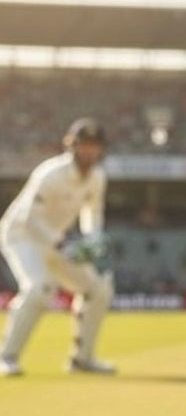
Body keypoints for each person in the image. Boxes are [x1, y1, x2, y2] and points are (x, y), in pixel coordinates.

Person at [0, 117, 115, 377]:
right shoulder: (50, 173)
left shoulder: (97, 176)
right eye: (84, 145)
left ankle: (82, 359)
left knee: (99, 288)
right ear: (72, 146)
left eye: (95, 146)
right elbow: (31, 219)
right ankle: (6, 357)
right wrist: (62, 244)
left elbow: (93, 212)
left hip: (58, 241)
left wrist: (92, 239)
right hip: (21, 236)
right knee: (39, 287)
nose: (89, 151)